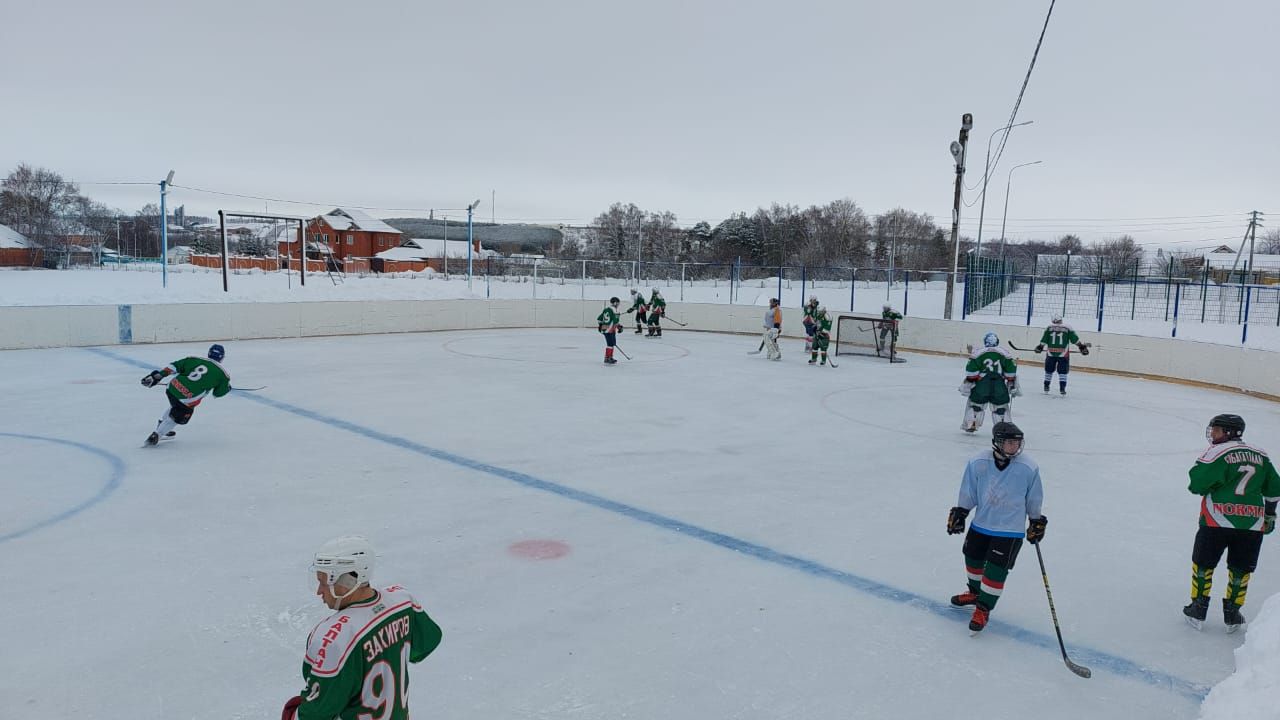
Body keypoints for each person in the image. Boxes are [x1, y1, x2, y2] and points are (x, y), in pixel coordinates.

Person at [281, 535, 443, 720]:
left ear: (348, 581)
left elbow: (318, 712)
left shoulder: (332, 638)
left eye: (324, 583)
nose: (319, 591)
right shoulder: (403, 600)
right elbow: (425, 644)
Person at [1182, 414, 1280, 631]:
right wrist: (1270, 514)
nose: (1212, 434)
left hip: (1216, 520)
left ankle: (1198, 608)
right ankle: (1233, 614)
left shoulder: (1217, 452)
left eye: (1216, 430)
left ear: (1228, 432)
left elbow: (1197, 484)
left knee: (1203, 564)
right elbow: (1274, 488)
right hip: (1251, 524)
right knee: (1241, 569)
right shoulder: (1261, 454)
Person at [947, 422, 1046, 633]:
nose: (1015, 447)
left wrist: (1036, 520)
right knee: (972, 559)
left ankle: (984, 608)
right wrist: (961, 511)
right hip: (981, 524)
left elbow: (1034, 497)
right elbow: (969, 491)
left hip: (1009, 530)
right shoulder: (978, 462)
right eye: (1010, 442)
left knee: (995, 570)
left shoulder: (1028, 467)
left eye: (1017, 442)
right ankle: (975, 593)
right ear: (997, 443)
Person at [139, 343, 231, 445]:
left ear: (209, 353)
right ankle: (157, 434)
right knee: (176, 417)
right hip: (187, 399)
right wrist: (226, 389)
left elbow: (173, 367)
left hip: (172, 388)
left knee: (175, 404)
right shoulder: (223, 375)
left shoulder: (193, 359)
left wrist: (158, 376)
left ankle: (162, 426)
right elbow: (217, 394)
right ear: (222, 357)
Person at [959, 333, 1019, 433]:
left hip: (982, 384)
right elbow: (1010, 374)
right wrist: (1011, 383)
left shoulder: (978, 353)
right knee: (1000, 407)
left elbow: (971, 374)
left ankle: (972, 423)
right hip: (999, 384)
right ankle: (1003, 428)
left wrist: (968, 384)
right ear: (997, 342)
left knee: (976, 404)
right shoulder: (1005, 353)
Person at [1034, 314, 1090, 395]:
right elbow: (1075, 340)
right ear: (1061, 320)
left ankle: (1046, 386)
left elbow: (1044, 340)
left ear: (1053, 321)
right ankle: (1062, 388)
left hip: (1051, 354)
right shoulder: (1067, 328)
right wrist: (1081, 347)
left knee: (1048, 371)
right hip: (1063, 354)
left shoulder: (1049, 328)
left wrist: (1040, 347)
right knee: (1063, 372)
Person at [597, 297, 623, 364]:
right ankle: (608, 358)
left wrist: (600, 326)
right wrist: (619, 327)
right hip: (610, 329)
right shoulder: (615, 310)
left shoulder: (607, 309)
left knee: (611, 344)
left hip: (606, 328)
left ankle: (609, 357)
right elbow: (615, 321)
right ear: (615, 303)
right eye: (617, 303)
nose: (618, 304)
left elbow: (599, 319)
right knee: (610, 344)